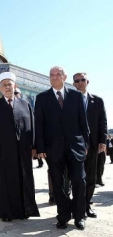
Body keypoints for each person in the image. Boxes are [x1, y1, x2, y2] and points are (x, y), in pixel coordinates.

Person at [35, 66, 90, 230]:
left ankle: (79, 216)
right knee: (58, 185)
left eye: (58, 74)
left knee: (79, 180)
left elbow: (83, 122)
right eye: (51, 75)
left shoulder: (76, 96)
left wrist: (86, 144)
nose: (54, 77)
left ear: (64, 77)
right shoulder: (42, 98)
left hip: (75, 147)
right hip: (53, 149)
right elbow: (39, 125)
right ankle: (64, 215)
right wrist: (40, 147)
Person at [0, 72, 39, 222]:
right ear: (0, 88)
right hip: (4, 151)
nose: (7, 87)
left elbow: (32, 126)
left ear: (15, 86)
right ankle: (6, 212)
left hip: (23, 151)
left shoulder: (25, 104)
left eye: (9, 84)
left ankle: (24, 210)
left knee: (24, 179)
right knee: (6, 181)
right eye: (4, 85)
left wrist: (34, 146)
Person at [72, 72, 107, 218]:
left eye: (82, 80)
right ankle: (77, 205)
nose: (79, 83)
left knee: (91, 176)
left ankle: (87, 205)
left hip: (92, 145)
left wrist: (102, 141)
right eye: (76, 81)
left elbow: (102, 122)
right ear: (73, 83)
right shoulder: (69, 100)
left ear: (88, 82)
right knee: (77, 177)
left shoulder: (97, 101)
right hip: (75, 145)